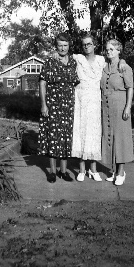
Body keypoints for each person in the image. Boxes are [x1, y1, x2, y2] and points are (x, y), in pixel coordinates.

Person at [37, 32, 80, 183]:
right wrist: (43, 105)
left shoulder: (74, 62)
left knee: (66, 138)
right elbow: (42, 83)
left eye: (65, 45)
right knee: (53, 137)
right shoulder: (49, 61)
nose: (62, 48)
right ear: (56, 46)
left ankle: (64, 171)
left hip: (68, 106)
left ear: (69, 46)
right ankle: (52, 172)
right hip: (53, 105)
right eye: (60, 45)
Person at [71, 34, 106, 182]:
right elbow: (63, 55)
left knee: (93, 135)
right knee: (81, 133)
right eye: (84, 44)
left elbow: (116, 62)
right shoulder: (78, 58)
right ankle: (81, 169)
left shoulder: (101, 60)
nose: (86, 46)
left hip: (95, 103)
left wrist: (122, 60)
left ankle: (93, 170)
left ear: (94, 45)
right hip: (80, 102)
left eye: (89, 44)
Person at [101, 39, 134, 186]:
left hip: (120, 104)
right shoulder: (104, 66)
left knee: (120, 138)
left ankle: (121, 172)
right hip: (106, 106)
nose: (109, 52)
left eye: (112, 49)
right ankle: (114, 170)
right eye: (107, 49)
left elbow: (130, 88)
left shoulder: (125, 67)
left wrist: (128, 107)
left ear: (118, 51)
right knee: (110, 137)